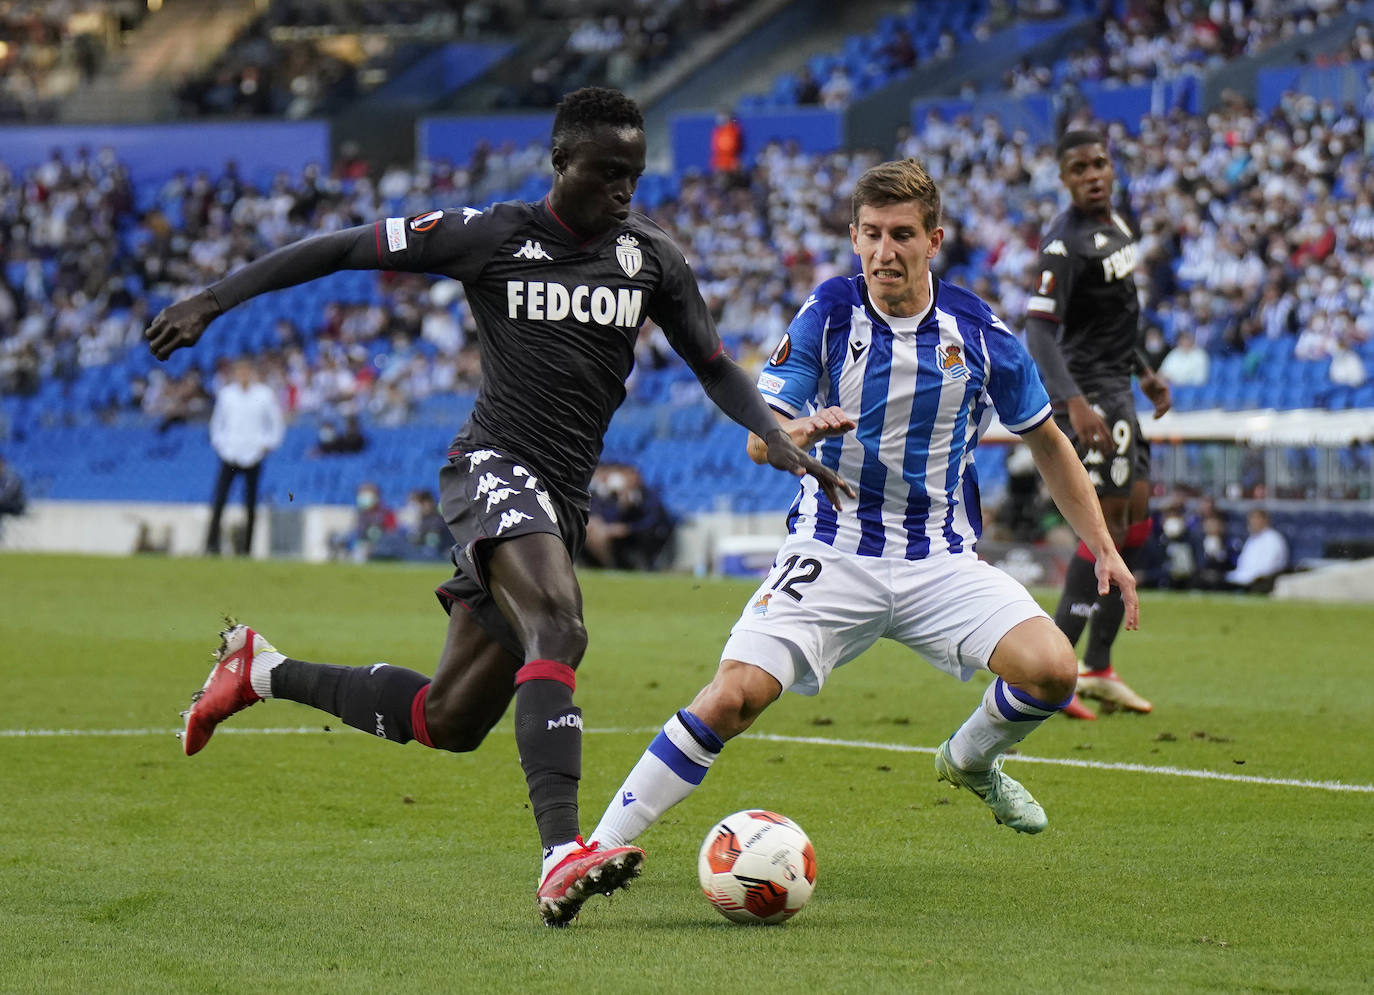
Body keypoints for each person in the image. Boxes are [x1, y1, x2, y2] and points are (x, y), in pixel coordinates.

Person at [144, 87, 849, 927]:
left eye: (636, 173)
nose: (626, 189)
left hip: (562, 498)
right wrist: (211, 300)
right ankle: (562, 854)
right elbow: (341, 248)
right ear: (561, 162)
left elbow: (715, 366)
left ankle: (260, 668)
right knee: (561, 624)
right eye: (609, 171)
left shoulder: (652, 258)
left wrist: (780, 435)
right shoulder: (491, 236)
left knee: (447, 718)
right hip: (491, 467)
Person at [587, 158, 1138, 860]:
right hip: (833, 549)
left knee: (1053, 669)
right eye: (872, 233)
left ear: (934, 240)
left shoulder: (979, 331)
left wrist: (1105, 547)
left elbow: (1050, 444)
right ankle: (597, 847)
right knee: (731, 697)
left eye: (903, 234)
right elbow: (762, 443)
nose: (886, 251)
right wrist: (793, 436)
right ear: (853, 237)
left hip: (940, 560)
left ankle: (969, 759)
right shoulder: (828, 313)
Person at [1024, 129, 1171, 720]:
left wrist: (1146, 371)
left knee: (1133, 522)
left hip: (1119, 386)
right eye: (1079, 168)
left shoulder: (1119, 227)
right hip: (1090, 394)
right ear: (1064, 178)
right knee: (1104, 529)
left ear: (1113, 168)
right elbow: (1038, 330)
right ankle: (1052, 677)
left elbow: (1114, 319)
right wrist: (1073, 401)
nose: (1092, 175)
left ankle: (1101, 670)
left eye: (1100, 164)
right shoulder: (1064, 244)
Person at [205, 357, 284, 556]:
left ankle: (246, 548)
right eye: (240, 371)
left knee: (250, 503)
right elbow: (217, 424)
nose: (243, 375)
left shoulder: (264, 395)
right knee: (220, 500)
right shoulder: (227, 395)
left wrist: (268, 444)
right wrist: (221, 445)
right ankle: (211, 545)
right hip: (230, 454)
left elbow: (276, 423)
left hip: (253, 455)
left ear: (252, 372)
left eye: (247, 371)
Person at [583, 463, 675, 570]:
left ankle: (609, 565)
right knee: (592, 529)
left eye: (631, 476)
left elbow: (652, 521)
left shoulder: (649, 496)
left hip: (643, 534)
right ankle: (604, 564)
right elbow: (611, 517)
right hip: (617, 532)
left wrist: (629, 528)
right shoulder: (615, 496)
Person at [1225, 508, 1289, 593]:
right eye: (1251, 519)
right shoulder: (1251, 539)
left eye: (1256, 518)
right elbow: (1243, 564)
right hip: (1242, 578)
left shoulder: (1273, 539)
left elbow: (1268, 567)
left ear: (1265, 520)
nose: (1252, 522)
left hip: (1261, 581)